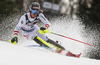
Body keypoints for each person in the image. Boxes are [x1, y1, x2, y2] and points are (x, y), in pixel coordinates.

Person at [11, 2, 81, 58]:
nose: (35, 13)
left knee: (46, 39)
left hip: (35, 28)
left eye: (37, 11)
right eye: (33, 10)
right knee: (37, 38)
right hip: (27, 33)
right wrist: (15, 36)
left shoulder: (39, 15)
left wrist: (45, 28)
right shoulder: (24, 17)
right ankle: (53, 49)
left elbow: (47, 23)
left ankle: (63, 49)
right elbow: (17, 28)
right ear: (30, 10)